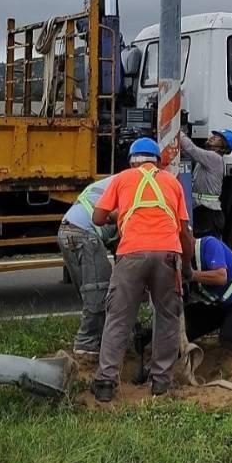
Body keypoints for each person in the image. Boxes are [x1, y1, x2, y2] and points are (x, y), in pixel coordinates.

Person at [90, 137, 193, 402]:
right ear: (157, 161)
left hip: (131, 252)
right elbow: (184, 233)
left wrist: (120, 214)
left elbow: (98, 218)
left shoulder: (122, 179)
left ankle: (105, 383)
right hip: (168, 254)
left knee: (118, 318)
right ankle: (160, 383)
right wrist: (187, 268)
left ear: (132, 161)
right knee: (168, 317)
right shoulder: (172, 182)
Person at [57, 176, 117, 357]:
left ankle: (99, 339)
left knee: (89, 292)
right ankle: (87, 344)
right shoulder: (131, 185)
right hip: (85, 234)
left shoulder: (115, 180)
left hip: (66, 231)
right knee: (99, 291)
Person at [180, 128, 232, 237]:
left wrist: (177, 131)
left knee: (206, 249)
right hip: (203, 210)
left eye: (219, 138)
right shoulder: (206, 159)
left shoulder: (214, 158)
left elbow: (191, 149)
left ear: (224, 146)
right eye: (214, 135)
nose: (213, 137)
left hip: (208, 213)